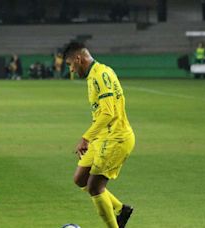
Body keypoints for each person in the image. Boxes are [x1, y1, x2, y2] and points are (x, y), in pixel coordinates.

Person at [63, 42, 135, 228]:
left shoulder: (100, 76)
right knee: (80, 179)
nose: (71, 70)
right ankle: (120, 209)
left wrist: (86, 137)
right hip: (103, 136)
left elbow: (108, 113)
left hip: (116, 137)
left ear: (79, 59)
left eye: (70, 64)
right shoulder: (97, 73)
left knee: (95, 187)